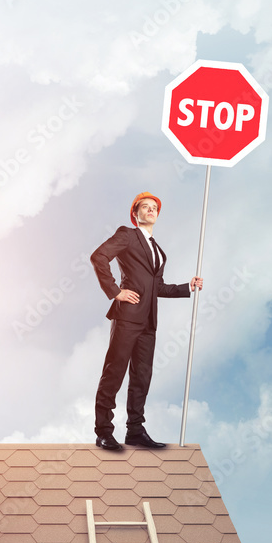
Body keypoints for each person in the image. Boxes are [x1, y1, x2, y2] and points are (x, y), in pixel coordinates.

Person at [90, 192, 203, 450]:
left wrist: (189, 286)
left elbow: (157, 287)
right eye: (145, 207)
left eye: (154, 208)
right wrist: (116, 292)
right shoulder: (127, 235)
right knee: (114, 372)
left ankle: (135, 431)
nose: (151, 210)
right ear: (135, 213)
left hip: (149, 321)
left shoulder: (157, 250)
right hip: (127, 316)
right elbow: (98, 257)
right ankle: (104, 431)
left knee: (142, 376)